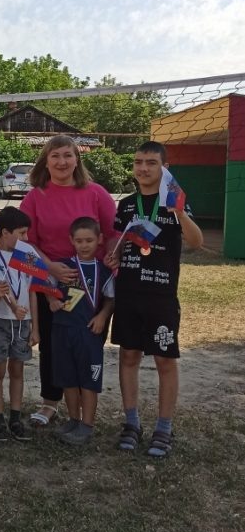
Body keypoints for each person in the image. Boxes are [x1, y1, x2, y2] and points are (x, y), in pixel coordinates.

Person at [108, 141, 203, 457]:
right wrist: (113, 255)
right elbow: (117, 244)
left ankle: (164, 427)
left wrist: (180, 213)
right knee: (128, 356)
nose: (143, 168)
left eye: (151, 162)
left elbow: (196, 242)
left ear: (164, 168)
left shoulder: (173, 203)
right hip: (128, 294)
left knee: (164, 359)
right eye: (138, 162)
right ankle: (131, 423)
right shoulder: (126, 205)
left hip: (161, 295)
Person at [19, 135, 118, 427]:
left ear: (77, 160)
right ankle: (50, 402)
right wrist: (50, 267)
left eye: (67, 155)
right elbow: (27, 242)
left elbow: (113, 233)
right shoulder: (35, 197)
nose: (62, 162)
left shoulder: (96, 193)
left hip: (90, 281)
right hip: (51, 279)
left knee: (88, 341)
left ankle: (84, 409)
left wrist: (112, 255)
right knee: (53, 345)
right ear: (46, 162)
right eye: (55, 156)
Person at [48, 217, 115, 446]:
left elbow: (110, 299)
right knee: (67, 379)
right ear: (71, 240)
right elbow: (46, 286)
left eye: (89, 240)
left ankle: (87, 425)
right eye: (79, 241)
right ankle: (73, 420)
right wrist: (51, 300)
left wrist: (102, 316)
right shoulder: (62, 266)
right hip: (62, 330)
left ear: (99, 240)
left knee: (88, 381)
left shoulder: (103, 270)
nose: (84, 245)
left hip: (88, 332)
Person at [0, 206, 39, 443]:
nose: (26, 238)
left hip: (23, 322)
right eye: (22, 233)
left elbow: (33, 291)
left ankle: (15, 418)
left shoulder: (27, 256)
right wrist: (9, 304)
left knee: (17, 370)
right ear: (5, 233)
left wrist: (35, 327)